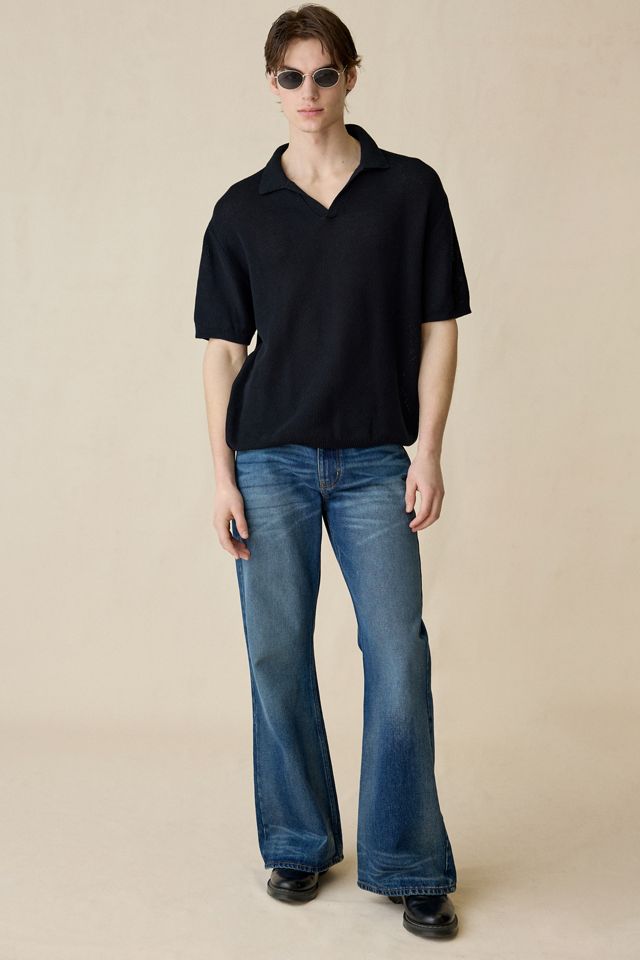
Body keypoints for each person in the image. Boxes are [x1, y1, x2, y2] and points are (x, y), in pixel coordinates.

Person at [193, 4, 471, 941]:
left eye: (323, 74)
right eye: (290, 77)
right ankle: (299, 843)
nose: (307, 92)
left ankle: (409, 862)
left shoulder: (409, 190)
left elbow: (439, 327)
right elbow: (222, 351)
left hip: (374, 461)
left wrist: (428, 449)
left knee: (397, 651)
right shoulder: (242, 209)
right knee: (276, 653)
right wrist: (223, 475)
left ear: (351, 76)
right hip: (267, 459)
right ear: (270, 86)